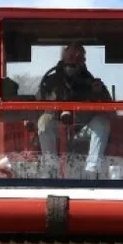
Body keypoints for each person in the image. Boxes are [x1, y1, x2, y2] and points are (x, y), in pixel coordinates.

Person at [36, 43, 112, 178]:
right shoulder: (50, 82)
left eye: (79, 57)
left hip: (83, 129)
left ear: (83, 61)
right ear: (64, 57)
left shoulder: (92, 82)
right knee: (43, 121)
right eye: (71, 56)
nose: (74, 60)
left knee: (102, 122)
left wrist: (98, 93)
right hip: (57, 128)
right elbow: (37, 104)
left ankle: (92, 169)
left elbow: (110, 107)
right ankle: (50, 168)